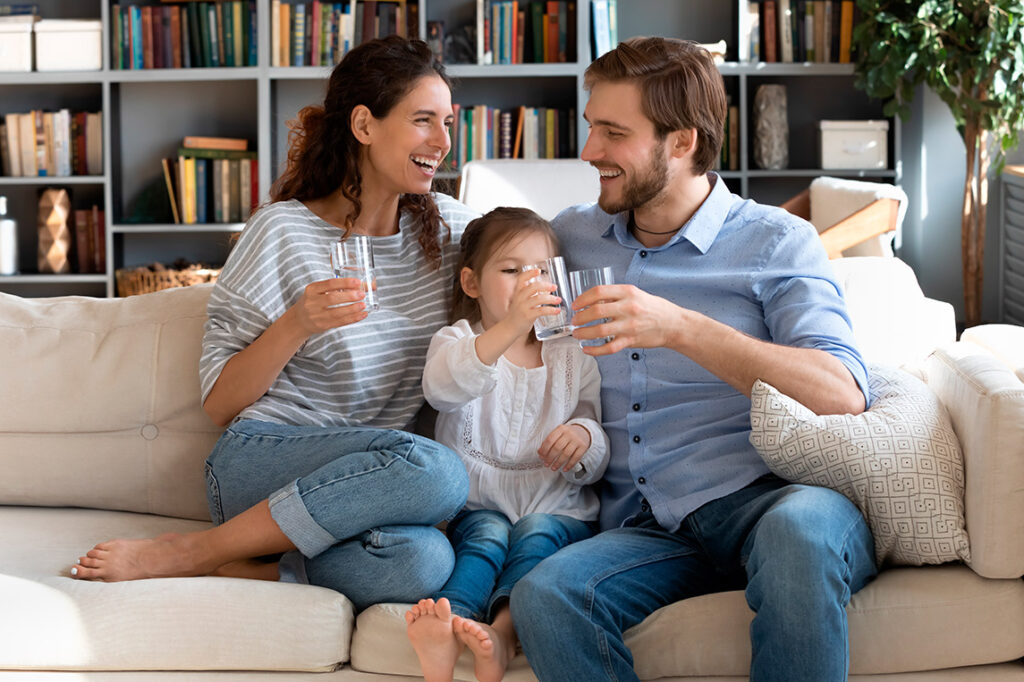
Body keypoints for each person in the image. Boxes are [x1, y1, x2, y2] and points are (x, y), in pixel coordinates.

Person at [509, 37, 878, 682]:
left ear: (681, 143)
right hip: (650, 525)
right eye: (592, 126)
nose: (589, 151)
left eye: (612, 133)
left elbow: (842, 391)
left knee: (800, 539)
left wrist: (679, 327)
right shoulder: (570, 235)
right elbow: (477, 254)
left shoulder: (774, 241)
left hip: (776, 501)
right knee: (547, 594)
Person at [69, 36, 481, 611]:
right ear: (365, 124)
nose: (442, 142)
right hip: (264, 458)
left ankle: (248, 566)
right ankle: (196, 551)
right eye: (422, 121)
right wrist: (296, 323)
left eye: (447, 123)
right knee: (436, 470)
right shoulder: (283, 231)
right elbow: (220, 403)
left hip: (369, 485)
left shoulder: (454, 233)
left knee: (423, 562)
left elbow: (540, 251)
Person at [404, 207, 610, 682]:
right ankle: (449, 624)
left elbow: (594, 430)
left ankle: (502, 632)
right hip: (479, 509)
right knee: (487, 536)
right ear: (472, 283)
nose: (528, 283)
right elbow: (441, 387)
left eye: (542, 272)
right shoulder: (459, 341)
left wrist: (583, 438)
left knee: (536, 533)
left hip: (558, 511)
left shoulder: (572, 353)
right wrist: (509, 328)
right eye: (512, 270)